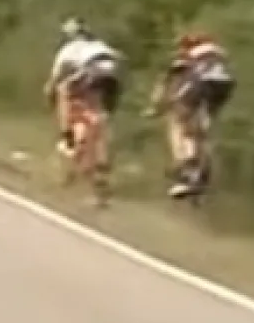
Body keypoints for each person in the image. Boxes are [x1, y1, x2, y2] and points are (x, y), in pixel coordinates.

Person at [146, 32, 236, 198]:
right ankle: (203, 167)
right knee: (203, 129)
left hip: (200, 82)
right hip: (224, 84)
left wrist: (155, 106)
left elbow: (165, 81)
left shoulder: (186, 57)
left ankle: (187, 167)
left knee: (180, 122)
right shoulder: (218, 54)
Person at [43, 17, 124, 152]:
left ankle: (66, 133)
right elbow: (118, 57)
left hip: (90, 72)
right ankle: (103, 140)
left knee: (62, 89)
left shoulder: (68, 49)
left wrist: (49, 95)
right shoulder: (99, 44)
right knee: (102, 110)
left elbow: (55, 77)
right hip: (113, 74)